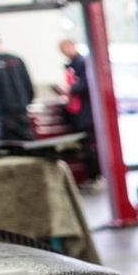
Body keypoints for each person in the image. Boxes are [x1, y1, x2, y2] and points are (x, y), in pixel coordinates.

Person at [0, 32, 34, 142]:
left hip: (2, 112)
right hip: (22, 109)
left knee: (8, 143)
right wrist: (25, 102)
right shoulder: (17, 60)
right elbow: (28, 85)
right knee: (26, 140)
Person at [58, 39, 100, 182]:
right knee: (85, 146)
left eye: (66, 48)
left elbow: (86, 84)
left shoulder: (82, 63)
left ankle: (96, 176)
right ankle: (92, 176)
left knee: (90, 145)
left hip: (86, 112)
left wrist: (70, 89)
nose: (65, 52)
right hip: (77, 111)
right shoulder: (71, 65)